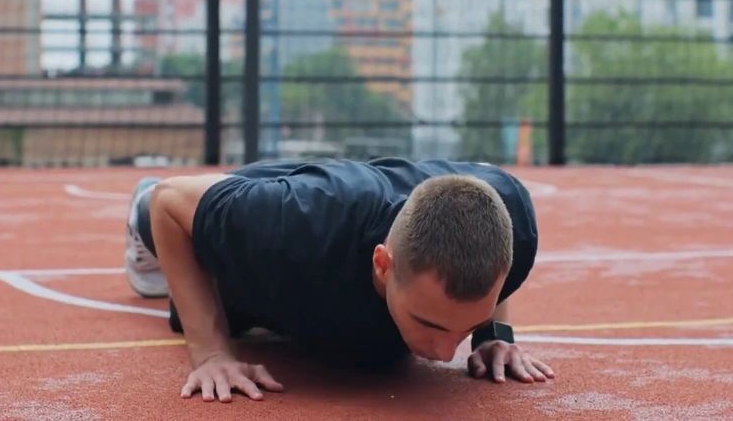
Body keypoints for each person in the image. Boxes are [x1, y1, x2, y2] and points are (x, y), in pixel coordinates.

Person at [123, 157, 554, 403]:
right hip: (284, 245)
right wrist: (211, 352)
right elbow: (171, 200)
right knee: (158, 218)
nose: (445, 355)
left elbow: (492, 227)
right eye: (431, 324)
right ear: (383, 264)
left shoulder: (513, 226)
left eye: (464, 328)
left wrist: (492, 333)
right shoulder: (294, 224)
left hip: (366, 209)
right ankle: (135, 213)